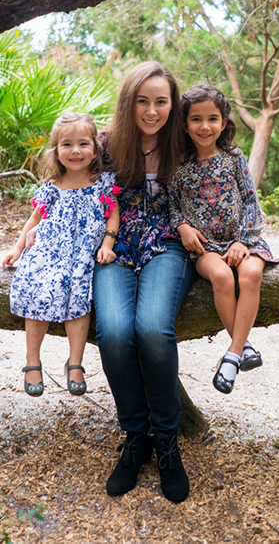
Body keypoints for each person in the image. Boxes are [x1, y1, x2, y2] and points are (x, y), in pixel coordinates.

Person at [93, 61, 195, 503]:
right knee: (114, 332)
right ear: (128, 102)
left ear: (173, 105)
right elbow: (67, 184)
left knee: (152, 328)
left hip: (169, 242)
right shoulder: (107, 146)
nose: (152, 111)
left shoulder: (186, 142)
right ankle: (137, 438)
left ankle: (168, 442)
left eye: (161, 101)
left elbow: (222, 184)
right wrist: (35, 232)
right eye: (142, 101)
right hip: (114, 244)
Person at [169, 84, 279, 394]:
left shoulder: (234, 157)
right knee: (220, 275)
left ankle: (231, 356)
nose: (205, 127)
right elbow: (171, 205)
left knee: (251, 273)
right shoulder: (178, 164)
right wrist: (183, 228)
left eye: (212, 118)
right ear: (183, 124)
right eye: (196, 119)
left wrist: (243, 241)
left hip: (243, 240)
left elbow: (250, 200)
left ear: (223, 122)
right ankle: (243, 347)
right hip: (205, 247)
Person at [2, 113, 120, 398]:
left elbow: (112, 216)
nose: (76, 151)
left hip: (82, 257)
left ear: (95, 148)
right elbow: (33, 221)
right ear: (56, 151)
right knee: (36, 291)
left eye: (83, 144)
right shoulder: (52, 187)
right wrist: (17, 249)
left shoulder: (103, 183)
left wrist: (108, 245)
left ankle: (75, 363)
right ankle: (32, 361)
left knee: (79, 299)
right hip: (48, 254)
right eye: (67, 144)